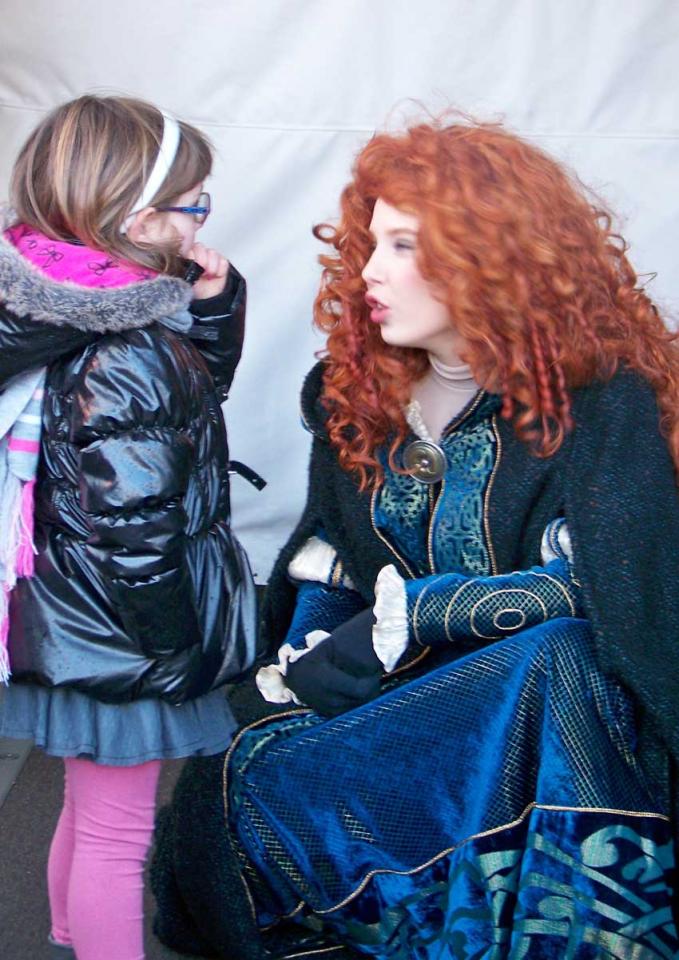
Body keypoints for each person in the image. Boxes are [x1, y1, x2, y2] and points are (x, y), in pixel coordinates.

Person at [152, 118, 679, 959]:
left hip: (550, 725)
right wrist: (307, 660)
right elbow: (330, 560)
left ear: (488, 257)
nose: (369, 269)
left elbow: (614, 591)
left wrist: (421, 615)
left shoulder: (597, 403)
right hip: (399, 716)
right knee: (242, 775)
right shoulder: (353, 393)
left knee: (562, 658)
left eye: (402, 245)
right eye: (372, 242)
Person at [0, 95, 260, 960]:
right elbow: (135, 521)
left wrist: (211, 311)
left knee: (88, 809)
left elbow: (177, 410)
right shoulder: (129, 344)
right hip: (126, 627)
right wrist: (172, 643)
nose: (201, 223)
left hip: (67, 610)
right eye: (195, 205)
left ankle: (70, 938)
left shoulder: (62, 302)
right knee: (118, 833)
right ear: (140, 221)